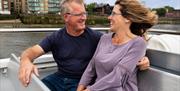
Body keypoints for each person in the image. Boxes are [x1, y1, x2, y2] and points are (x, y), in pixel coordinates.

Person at [18, 0, 150, 91]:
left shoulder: (96, 37)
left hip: (83, 82)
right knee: (34, 87)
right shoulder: (56, 37)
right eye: (79, 14)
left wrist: (143, 59)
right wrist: (25, 60)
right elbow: (32, 51)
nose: (84, 18)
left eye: (84, 13)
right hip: (59, 78)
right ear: (66, 17)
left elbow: (127, 48)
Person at [77, 0, 158, 91]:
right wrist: (79, 89)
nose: (109, 17)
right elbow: (91, 68)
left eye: (114, 14)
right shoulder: (104, 38)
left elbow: (117, 77)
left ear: (127, 18)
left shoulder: (138, 43)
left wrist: (89, 90)